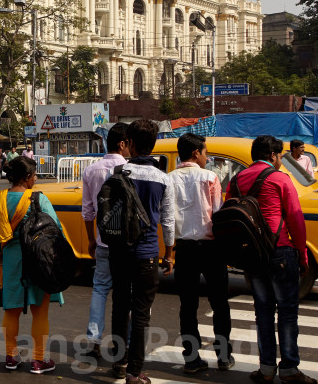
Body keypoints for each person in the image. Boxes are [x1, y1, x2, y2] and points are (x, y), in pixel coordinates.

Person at [232, 135, 315, 384]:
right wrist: (303, 254)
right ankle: (289, 369)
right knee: (287, 313)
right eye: (280, 156)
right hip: (280, 251)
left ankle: (266, 369)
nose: (280, 161)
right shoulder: (280, 178)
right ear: (273, 156)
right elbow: (295, 219)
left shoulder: (236, 179)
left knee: (263, 312)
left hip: (253, 255)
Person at [106, 119, 174, 384]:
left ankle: (120, 362)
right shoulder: (162, 178)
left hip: (118, 251)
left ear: (130, 144)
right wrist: (169, 253)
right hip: (146, 252)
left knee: (120, 306)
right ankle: (135, 372)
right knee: (141, 312)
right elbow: (168, 221)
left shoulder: (118, 174)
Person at [0, 156, 64, 373]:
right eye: (35, 175)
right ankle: (38, 360)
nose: (36, 179)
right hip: (38, 260)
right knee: (40, 311)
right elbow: (55, 228)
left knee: (11, 310)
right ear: (28, 177)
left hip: (11, 259)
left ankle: (11, 357)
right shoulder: (38, 199)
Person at [168, 133, 233, 373]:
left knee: (188, 305)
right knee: (220, 303)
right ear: (196, 153)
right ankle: (224, 355)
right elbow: (218, 214)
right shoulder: (210, 177)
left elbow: (166, 219)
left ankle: (191, 358)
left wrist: (169, 252)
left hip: (183, 248)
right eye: (205, 153)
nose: (207, 157)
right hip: (211, 248)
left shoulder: (169, 179)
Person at [79, 122, 130, 354]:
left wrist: (91, 239)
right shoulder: (131, 169)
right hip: (127, 242)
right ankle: (124, 343)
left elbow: (88, 211)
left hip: (102, 240)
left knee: (100, 288)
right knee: (124, 291)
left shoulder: (91, 170)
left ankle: (93, 340)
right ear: (122, 144)